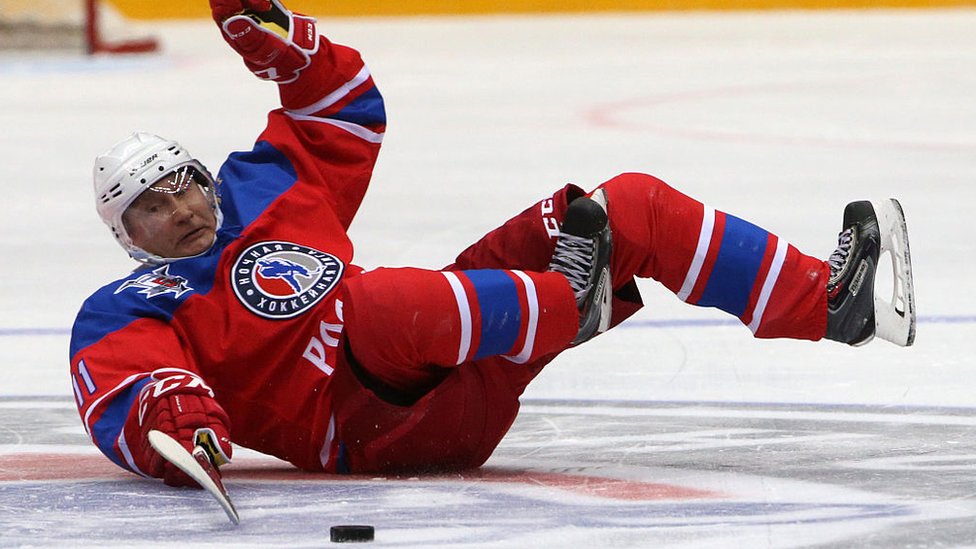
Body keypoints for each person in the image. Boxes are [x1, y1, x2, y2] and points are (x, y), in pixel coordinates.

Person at [70, 0, 916, 487]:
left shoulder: (265, 188)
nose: (176, 206)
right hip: (370, 429)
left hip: (450, 348)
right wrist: (180, 427)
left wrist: (288, 44)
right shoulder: (128, 307)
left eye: (181, 180)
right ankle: (567, 303)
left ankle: (828, 304)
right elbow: (132, 394)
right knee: (372, 300)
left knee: (630, 206)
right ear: (126, 238)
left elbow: (345, 110)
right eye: (148, 205)